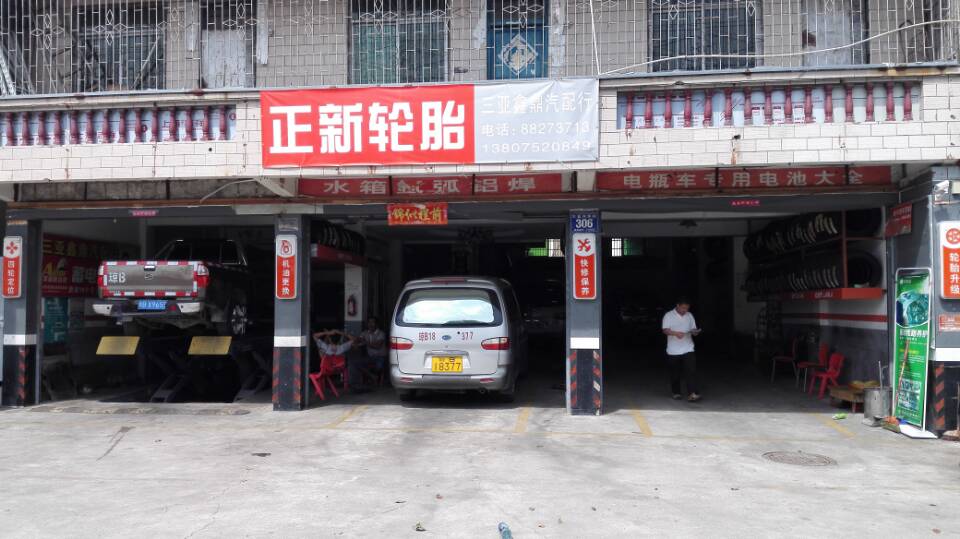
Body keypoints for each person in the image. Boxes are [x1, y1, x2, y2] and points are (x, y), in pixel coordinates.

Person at [661, 297, 702, 402]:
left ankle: (692, 393)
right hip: (673, 350)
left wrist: (695, 332)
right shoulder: (669, 315)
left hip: (688, 347)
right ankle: (676, 392)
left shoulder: (689, 315)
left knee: (691, 371)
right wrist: (675, 333)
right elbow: (665, 330)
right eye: (683, 308)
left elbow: (693, 328)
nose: (685, 310)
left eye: (687, 308)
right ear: (677, 305)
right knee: (675, 373)